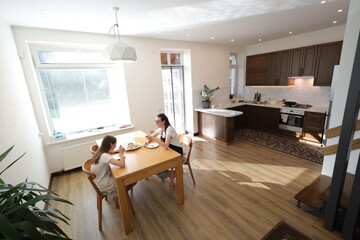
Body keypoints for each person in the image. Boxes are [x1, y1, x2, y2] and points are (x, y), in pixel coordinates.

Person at [145, 113, 183, 188]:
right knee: (153, 163)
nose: (156, 123)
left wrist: (154, 139)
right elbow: (151, 137)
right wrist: (148, 141)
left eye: (158, 121)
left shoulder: (169, 129)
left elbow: (165, 145)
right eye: (155, 121)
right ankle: (170, 174)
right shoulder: (160, 129)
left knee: (155, 165)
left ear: (164, 122)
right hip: (169, 150)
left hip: (176, 152)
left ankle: (171, 174)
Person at [90, 135, 127, 209]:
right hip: (106, 186)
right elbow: (122, 164)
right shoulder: (104, 156)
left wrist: (114, 151)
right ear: (110, 144)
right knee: (132, 180)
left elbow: (108, 154)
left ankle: (118, 196)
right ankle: (117, 197)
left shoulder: (100, 151)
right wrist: (121, 153)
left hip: (100, 181)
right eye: (115, 144)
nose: (116, 145)